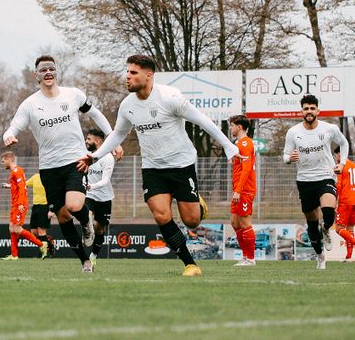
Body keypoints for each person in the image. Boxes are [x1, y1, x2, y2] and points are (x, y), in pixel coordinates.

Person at [77, 54, 241, 277]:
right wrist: (94, 156)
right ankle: (190, 264)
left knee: (191, 220)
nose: (128, 77)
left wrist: (228, 146)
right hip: (152, 168)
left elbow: (203, 120)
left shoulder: (170, 97)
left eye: (133, 73)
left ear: (148, 75)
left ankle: (197, 203)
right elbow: (118, 135)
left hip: (181, 164)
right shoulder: (127, 106)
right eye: (127, 72)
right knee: (161, 215)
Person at [3, 55, 122, 273]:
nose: (47, 72)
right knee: (64, 216)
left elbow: (95, 114)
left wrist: (112, 137)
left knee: (75, 206)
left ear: (56, 72)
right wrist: (8, 136)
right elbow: (13, 127)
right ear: (36, 75)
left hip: (75, 161)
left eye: (51, 68)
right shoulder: (30, 104)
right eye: (42, 69)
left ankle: (86, 220)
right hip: (49, 168)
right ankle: (84, 261)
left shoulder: (73, 94)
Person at [283, 94, 348, 270]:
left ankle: (327, 229)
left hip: (326, 176)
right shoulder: (293, 132)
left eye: (312, 108)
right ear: (301, 111)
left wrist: (341, 164)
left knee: (328, 210)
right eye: (306, 108)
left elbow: (344, 143)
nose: (309, 111)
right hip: (304, 181)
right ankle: (320, 257)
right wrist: (290, 158)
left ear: (318, 110)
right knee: (312, 224)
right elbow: (285, 156)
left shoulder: (329, 128)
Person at [0, 151, 48, 260]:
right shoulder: (14, 172)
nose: (2, 164)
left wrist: (21, 203)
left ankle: (42, 245)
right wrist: (9, 186)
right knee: (12, 228)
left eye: (3, 161)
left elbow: (22, 188)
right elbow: (18, 186)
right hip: (15, 204)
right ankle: (14, 255)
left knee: (16, 229)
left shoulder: (17, 171)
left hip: (19, 204)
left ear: (9, 160)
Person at [83, 129, 116, 266]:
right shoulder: (85, 156)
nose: (86, 141)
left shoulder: (108, 158)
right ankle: (87, 229)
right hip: (89, 195)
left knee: (99, 229)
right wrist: (85, 185)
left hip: (105, 197)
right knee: (87, 215)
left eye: (89, 139)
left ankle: (93, 255)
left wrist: (92, 186)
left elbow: (105, 180)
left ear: (97, 141)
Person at [228, 115, 257, 266]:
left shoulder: (245, 143)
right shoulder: (239, 143)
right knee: (234, 222)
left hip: (245, 189)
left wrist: (239, 190)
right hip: (238, 189)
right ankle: (245, 256)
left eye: (232, 125)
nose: (231, 128)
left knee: (245, 223)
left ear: (239, 127)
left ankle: (250, 259)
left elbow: (246, 170)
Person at [333, 146, 355, 262]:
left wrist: (335, 202)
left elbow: (338, 185)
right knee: (350, 228)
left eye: (336, 155)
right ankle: (349, 256)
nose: (335, 158)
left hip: (345, 201)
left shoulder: (340, 167)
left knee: (339, 229)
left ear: (339, 154)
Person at [25, 172, 56, 257]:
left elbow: (54, 195)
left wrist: (51, 210)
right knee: (34, 232)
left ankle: (42, 252)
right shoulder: (35, 176)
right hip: (35, 207)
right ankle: (50, 243)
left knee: (41, 232)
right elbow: (24, 184)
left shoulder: (50, 177)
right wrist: (11, 185)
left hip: (45, 207)